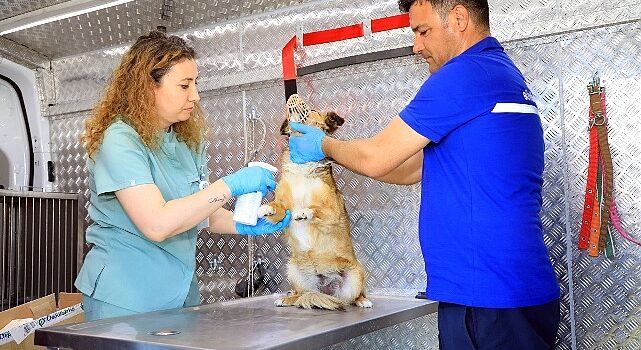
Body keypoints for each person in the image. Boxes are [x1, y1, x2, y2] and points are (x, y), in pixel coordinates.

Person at [287, 0, 561, 349]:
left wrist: (324, 146)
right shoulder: (499, 73)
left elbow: (377, 156)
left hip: (486, 295)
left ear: (459, 18)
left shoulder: (464, 74)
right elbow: (410, 168)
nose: (416, 46)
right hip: (510, 291)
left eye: (422, 31)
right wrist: (331, 159)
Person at [74, 31, 291, 321]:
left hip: (180, 297)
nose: (195, 96)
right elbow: (157, 223)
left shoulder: (185, 142)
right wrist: (231, 185)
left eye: (195, 84)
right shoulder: (119, 141)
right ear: (147, 86)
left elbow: (201, 213)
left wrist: (249, 222)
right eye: (184, 86)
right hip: (126, 301)